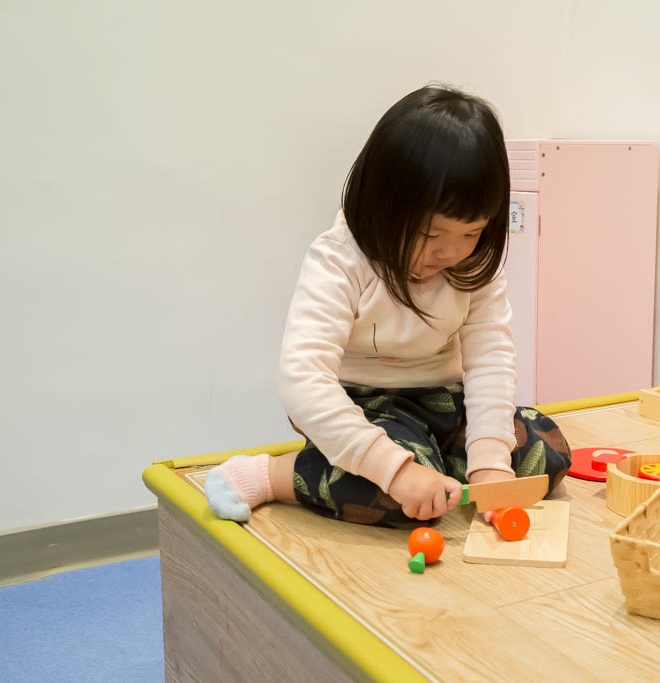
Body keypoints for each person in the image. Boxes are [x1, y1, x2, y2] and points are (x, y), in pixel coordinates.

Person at [204, 85, 572, 527]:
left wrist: (491, 462)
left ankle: (435, 468)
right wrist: (397, 471)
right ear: (385, 207)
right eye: (432, 236)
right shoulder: (340, 259)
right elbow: (304, 381)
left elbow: (490, 359)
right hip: (363, 405)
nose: (451, 253)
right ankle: (277, 474)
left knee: (545, 455)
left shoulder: (474, 266)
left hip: (440, 402)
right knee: (393, 497)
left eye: (471, 233)